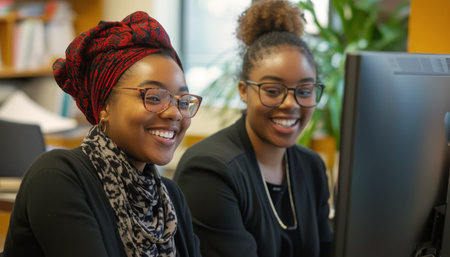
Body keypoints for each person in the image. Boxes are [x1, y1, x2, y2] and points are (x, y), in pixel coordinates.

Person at [4, 11, 202, 257]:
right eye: (153, 97)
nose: (174, 113)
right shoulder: (59, 178)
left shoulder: (169, 197)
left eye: (182, 101)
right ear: (105, 106)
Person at [173, 1, 333, 257]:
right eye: (272, 91)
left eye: (304, 91)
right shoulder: (208, 170)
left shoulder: (311, 167)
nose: (290, 104)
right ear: (244, 91)